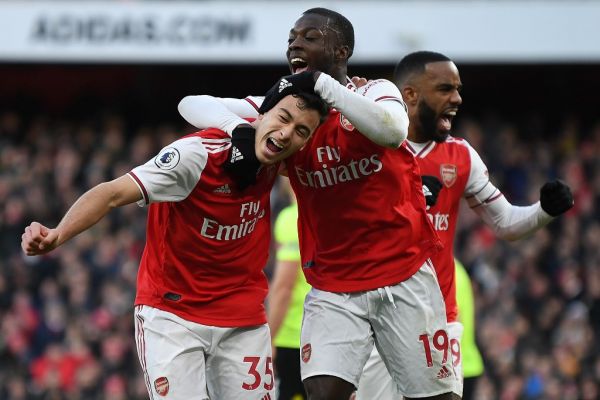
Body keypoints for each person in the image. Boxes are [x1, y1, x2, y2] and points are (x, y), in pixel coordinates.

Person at [178, 8, 458, 400]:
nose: (295, 43)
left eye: (310, 37)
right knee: (322, 393)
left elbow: (394, 131)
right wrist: (238, 129)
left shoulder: (375, 92)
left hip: (404, 273)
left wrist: (325, 87)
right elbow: (192, 103)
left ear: (341, 50)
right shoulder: (285, 112)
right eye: (292, 37)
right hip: (333, 286)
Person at [21, 77, 329, 400]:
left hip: (241, 317)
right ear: (260, 114)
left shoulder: (282, 154)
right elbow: (112, 194)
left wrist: (359, 95)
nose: (286, 134)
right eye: (283, 119)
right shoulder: (194, 157)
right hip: (173, 317)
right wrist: (58, 234)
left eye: (301, 131)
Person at [354, 50, 574, 399]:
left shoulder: (460, 155)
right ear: (409, 94)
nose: (456, 99)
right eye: (444, 89)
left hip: (438, 318)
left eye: (457, 89)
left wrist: (543, 210)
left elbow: (505, 222)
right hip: (375, 317)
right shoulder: (366, 146)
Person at [268, 179, 310, 400]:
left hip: (291, 336)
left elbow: (284, 287)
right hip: (321, 331)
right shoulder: (322, 216)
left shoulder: (291, 219)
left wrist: (269, 338)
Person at [454, 259, 484, 400]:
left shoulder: (451, 272)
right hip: (465, 364)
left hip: (459, 366)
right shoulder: (456, 269)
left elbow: (454, 318)